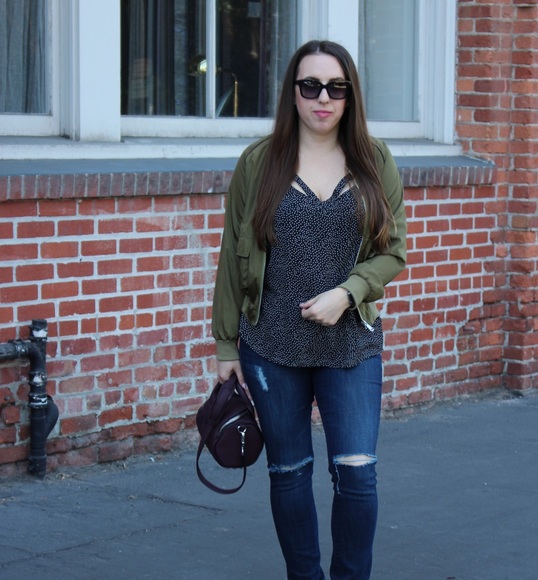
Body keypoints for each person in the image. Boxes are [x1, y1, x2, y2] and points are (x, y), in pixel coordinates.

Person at [212, 40, 407, 580]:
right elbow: (232, 254)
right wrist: (226, 344)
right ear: (293, 93)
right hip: (271, 346)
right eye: (311, 85)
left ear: (350, 95)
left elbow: (394, 251)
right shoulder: (259, 162)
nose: (323, 97)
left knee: (358, 476)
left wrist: (348, 292)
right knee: (289, 473)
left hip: (351, 346)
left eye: (336, 87)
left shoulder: (374, 159)